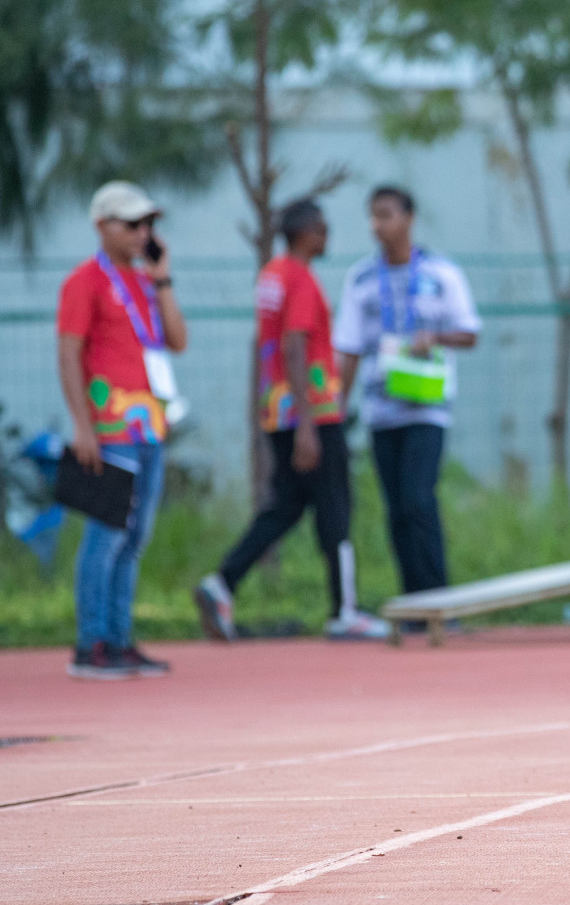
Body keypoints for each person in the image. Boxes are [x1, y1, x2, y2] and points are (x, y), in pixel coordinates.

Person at [193, 200, 390, 642]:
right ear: (305, 233)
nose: (327, 236)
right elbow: (295, 344)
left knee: (286, 506)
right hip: (313, 412)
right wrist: (306, 423)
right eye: (322, 229)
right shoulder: (300, 278)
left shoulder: (272, 275)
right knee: (337, 506)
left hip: (277, 406)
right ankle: (345, 609)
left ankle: (222, 582)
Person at [57, 181, 188, 678]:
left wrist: (164, 279)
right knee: (107, 534)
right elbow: (69, 353)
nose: (143, 233)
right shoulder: (83, 282)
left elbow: (177, 341)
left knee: (135, 538)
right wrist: (82, 425)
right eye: (132, 224)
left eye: (149, 225)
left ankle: (119, 639)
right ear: (102, 225)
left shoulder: (144, 281)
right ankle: (90, 645)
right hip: (110, 428)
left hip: (150, 428)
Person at [333, 186, 481, 599]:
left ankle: (439, 598)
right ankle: (415, 602)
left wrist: (434, 336)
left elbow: (470, 333)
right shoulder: (361, 278)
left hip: (427, 406)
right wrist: (338, 409)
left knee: (419, 498)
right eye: (373, 216)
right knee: (396, 508)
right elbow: (348, 347)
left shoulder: (441, 272)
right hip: (381, 409)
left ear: (409, 218)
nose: (378, 225)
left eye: (386, 215)